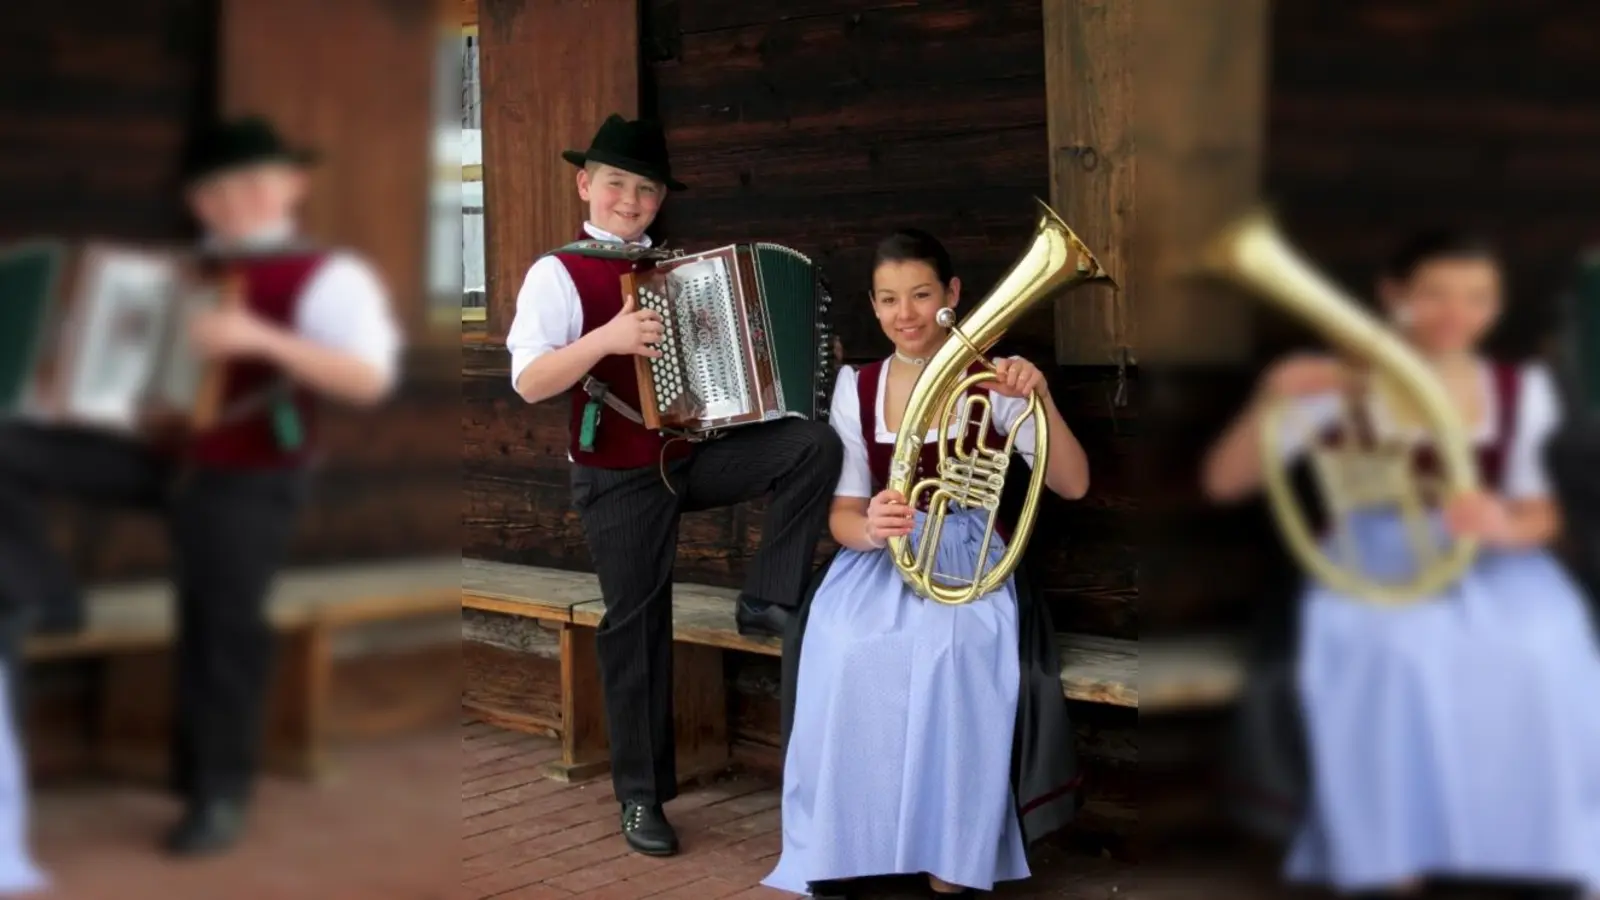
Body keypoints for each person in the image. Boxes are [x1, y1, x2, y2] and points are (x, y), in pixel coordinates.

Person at [0, 115, 404, 858]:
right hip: (158, 453)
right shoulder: (176, 274)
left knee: (222, 627)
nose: (235, 201)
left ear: (293, 184)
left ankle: (217, 791)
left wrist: (261, 339)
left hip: (250, 470)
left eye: (252, 182)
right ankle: (42, 589)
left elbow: (367, 377)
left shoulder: (326, 275)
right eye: (216, 190)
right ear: (199, 202)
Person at [1201, 229, 1600, 898]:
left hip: (1490, 559)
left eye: (1477, 298)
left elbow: (1542, 513)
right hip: (1371, 558)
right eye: (1435, 294)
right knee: (1393, 653)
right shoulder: (1334, 381)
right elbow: (1225, 481)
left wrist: (1501, 522)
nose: (1456, 314)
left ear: (1496, 306)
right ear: (1393, 295)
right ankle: (1389, 860)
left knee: (1550, 643)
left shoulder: (1516, 387)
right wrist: (1274, 400)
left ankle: (1534, 842)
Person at [506, 114, 843, 857]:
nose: (631, 200)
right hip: (618, 476)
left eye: (647, 189)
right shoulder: (556, 274)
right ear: (585, 184)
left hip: (689, 457)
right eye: (618, 183)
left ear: (660, 200)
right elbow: (530, 382)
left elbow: (718, 374)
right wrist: (605, 341)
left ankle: (768, 593)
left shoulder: (678, 269)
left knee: (810, 445)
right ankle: (640, 798)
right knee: (638, 625)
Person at [763, 230, 1090, 899]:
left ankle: (950, 852)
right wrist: (872, 526)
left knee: (949, 650)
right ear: (874, 306)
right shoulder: (857, 387)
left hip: (971, 561)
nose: (904, 313)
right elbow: (843, 515)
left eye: (919, 295)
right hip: (885, 556)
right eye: (888, 300)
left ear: (952, 296)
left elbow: (1074, 484)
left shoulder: (996, 381)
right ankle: (856, 844)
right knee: (849, 648)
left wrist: (1039, 400)